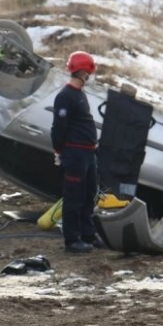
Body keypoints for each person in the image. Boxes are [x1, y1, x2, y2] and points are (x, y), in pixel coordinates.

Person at [50, 51, 104, 253]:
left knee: (89, 194)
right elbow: (59, 127)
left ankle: (88, 234)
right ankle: (72, 240)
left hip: (88, 153)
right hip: (75, 154)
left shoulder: (80, 94)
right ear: (84, 72)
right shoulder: (65, 97)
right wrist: (59, 150)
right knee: (74, 197)